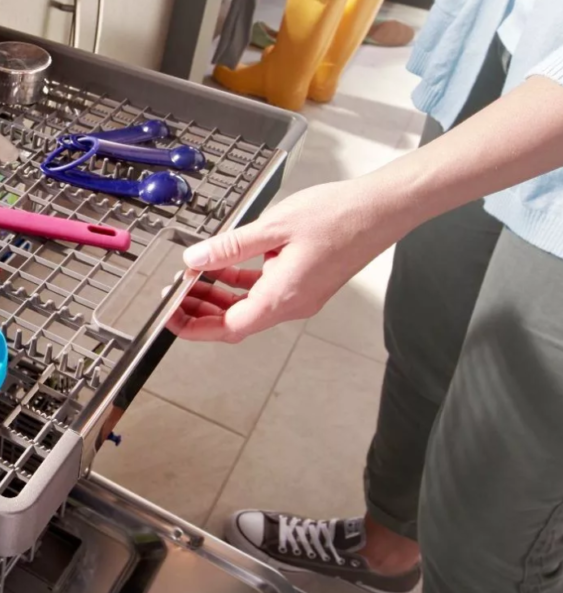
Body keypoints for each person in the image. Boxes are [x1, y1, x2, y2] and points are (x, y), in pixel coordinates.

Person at [168, 1, 563, 592]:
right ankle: (389, 550)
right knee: (426, 334)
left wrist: (375, 206)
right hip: (517, 33)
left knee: (497, 503)